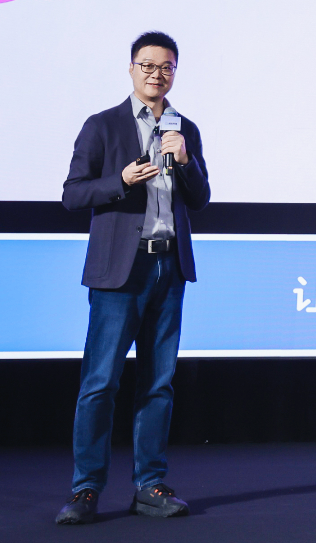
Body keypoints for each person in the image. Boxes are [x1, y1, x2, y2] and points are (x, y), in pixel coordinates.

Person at [55, 31, 210, 524]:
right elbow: (72, 194)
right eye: (148, 65)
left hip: (169, 266)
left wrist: (185, 162)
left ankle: (150, 485)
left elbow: (201, 198)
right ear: (131, 68)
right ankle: (86, 490)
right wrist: (120, 180)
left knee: (158, 384)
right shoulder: (102, 126)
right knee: (100, 383)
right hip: (120, 271)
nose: (156, 74)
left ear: (174, 72)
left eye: (166, 67)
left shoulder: (184, 129)